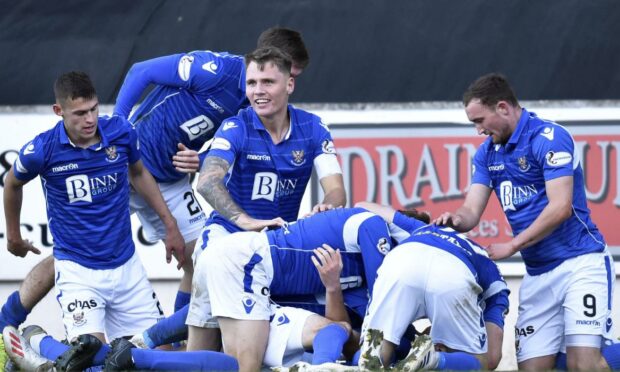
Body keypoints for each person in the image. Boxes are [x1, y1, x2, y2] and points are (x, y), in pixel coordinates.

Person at [113, 27, 311, 314]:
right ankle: (20, 316)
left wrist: (201, 157)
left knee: (201, 260)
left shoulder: (261, 104)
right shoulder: (215, 70)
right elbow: (140, 72)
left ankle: (181, 338)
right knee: (83, 250)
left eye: (294, 78)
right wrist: (118, 127)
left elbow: (230, 146)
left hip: (169, 180)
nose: (291, 83)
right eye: (290, 74)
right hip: (129, 166)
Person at [1, 71, 185, 371]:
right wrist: (13, 235)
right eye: (80, 113)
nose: (90, 119)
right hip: (78, 273)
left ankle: (38, 348)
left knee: (159, 361)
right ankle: (36, 341)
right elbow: (12, 183)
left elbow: (138, 173)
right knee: (91, 359)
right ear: (59, 112)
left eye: (94, 109)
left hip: (127, 269)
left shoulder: (121, 132)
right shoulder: (43, 149)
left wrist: (171, 226)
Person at [434, 73, 614, 371]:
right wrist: (454, 219)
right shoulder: (487, 154)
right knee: (532, 369)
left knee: (584, 365)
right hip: (538, 275)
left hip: (581, 264)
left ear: (503, 107)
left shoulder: (549, 137)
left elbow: (561, 209)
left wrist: (512, 245)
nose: (478, 130)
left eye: (480, 120)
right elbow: (470, 212)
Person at [193, 205, 395, 371]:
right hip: (245, 261)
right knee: (242, 367)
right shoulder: (372, 231)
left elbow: (344, 329)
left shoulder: (356, 277)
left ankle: (159, 353)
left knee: (197, 358)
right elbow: (369, 332)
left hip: (234, 259)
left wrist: (333, 287)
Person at [100, 243, 354, 371]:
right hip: (270, 322)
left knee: (212, 355)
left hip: (256, 309)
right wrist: (325, 364)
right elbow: (338, 330)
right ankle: (135, 351)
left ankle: (112, 353)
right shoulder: (339, 338)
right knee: (233, 366)